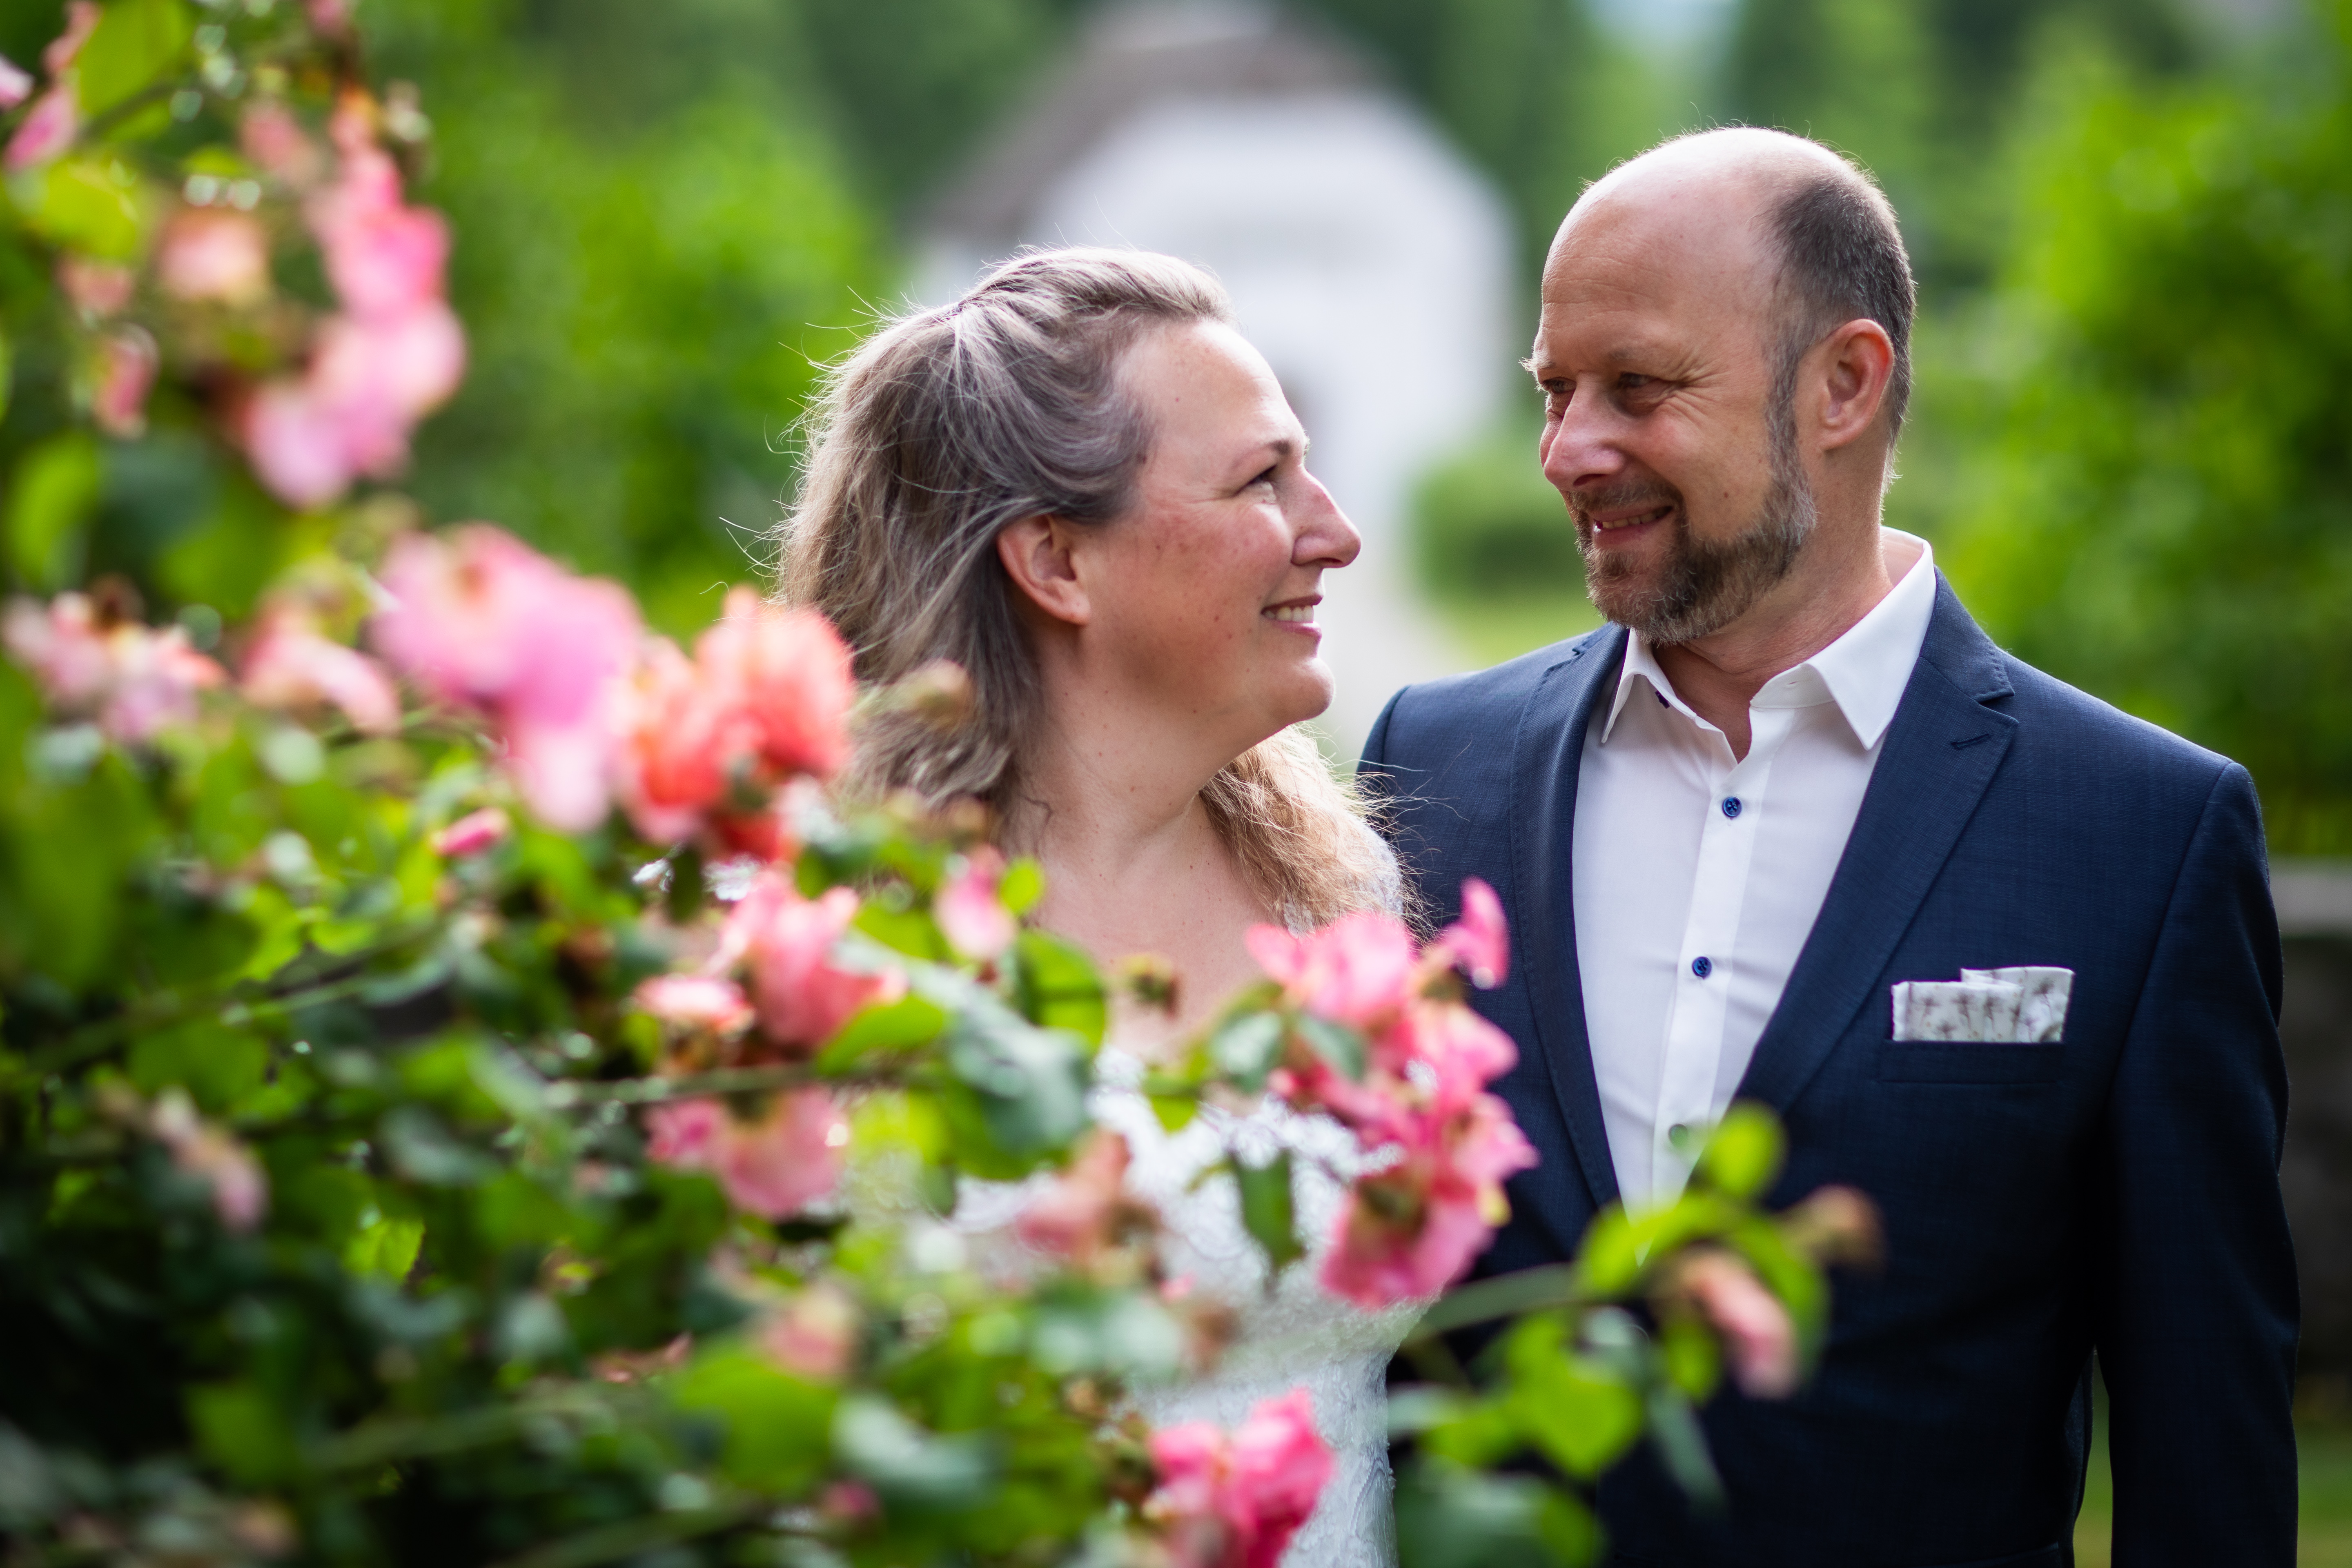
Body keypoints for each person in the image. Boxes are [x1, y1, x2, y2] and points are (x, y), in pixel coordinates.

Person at [1361, 128, 2298, 1566]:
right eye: (1554, 391)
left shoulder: (2141, 833)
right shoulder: (1432, 763)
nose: (1567, 452)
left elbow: (2204, 1442)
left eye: (1639, 388)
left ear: (1844, 384)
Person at [782, 247, 1418, 1567]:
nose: (1335, 532)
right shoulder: (827, 938)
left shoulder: (1339, 896)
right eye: (1263, 481)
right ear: (1057, 561)